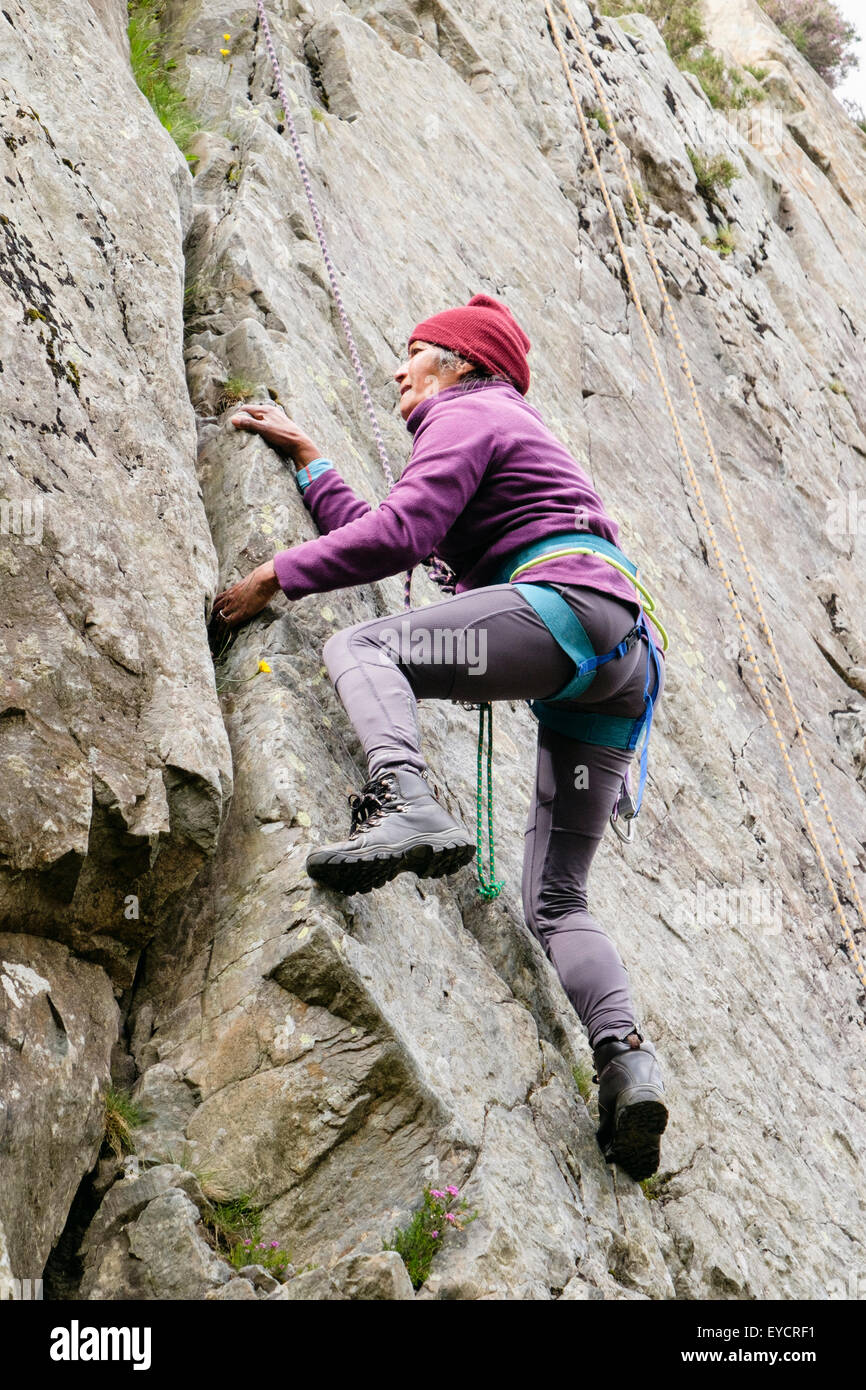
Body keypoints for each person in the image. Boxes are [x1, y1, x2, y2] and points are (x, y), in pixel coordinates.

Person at [211, 293, 668, 1180]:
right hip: (616, 660)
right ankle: (625, 1062)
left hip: (562, 611)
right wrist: (310, 459)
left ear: (459, 364)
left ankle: (406, 803)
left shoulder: (471, 411)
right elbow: (393, 532)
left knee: (362, 645)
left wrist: (274, 574)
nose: (397, 370)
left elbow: (403, 532)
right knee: (558, 902)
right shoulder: (499, 426)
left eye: (413, 353)